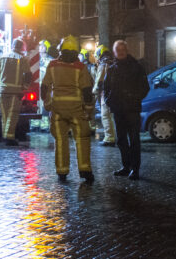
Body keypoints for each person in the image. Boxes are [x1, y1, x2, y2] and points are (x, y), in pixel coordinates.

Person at [41, 35, 95, 183]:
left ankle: (62, 172)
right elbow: (87, 91)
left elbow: (44, 87)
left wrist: (47, 104)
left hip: (58, 110)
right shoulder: (80, 67)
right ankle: (85, 170)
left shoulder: (52, 65)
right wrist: (89, 110)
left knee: (61, 141)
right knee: (82, 139)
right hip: (77, 110)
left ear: (61, 50)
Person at [103, 40, 150, 180]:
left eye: (123, 49)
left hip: (132, 109)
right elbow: (106, 88)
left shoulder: (136, 67)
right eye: (118, 50)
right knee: (121, 140)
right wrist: (109, 101)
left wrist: (134, 98)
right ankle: (126, 166)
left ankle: (135, 169)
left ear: (126, 50)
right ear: (115, 52)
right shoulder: (112, 69)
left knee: (134, 140)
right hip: (118, 109)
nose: (121, 52)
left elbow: (145, 87)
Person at [0, 38, 31, 145]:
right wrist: (25, 87)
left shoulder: (2, 57)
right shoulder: (23, 59)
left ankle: (5, 136)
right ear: (21, 47)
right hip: (15, 92)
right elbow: (28, 75)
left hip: (3, 91)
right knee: (12, 115)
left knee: (4, 115)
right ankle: (9, 138)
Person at [92, 44, 116, 147]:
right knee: (113, 117)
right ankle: (116, 136)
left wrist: (94, 92)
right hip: (116, 93)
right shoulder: (113, 62)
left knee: (105, 116)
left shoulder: (103, 64)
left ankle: (109, 138)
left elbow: (99, 81)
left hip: (105, 94)